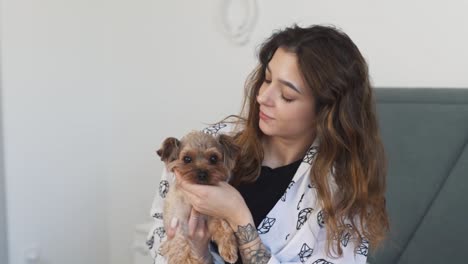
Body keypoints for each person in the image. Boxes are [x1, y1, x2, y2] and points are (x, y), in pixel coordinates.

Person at [147, 24, 389, 264]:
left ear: (325, 111)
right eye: (267, 79)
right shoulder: (210, 147)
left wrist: (239, 217)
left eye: (287, 95)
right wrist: (199, 254)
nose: (262, 97)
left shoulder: (341, 190)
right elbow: (160, 239)